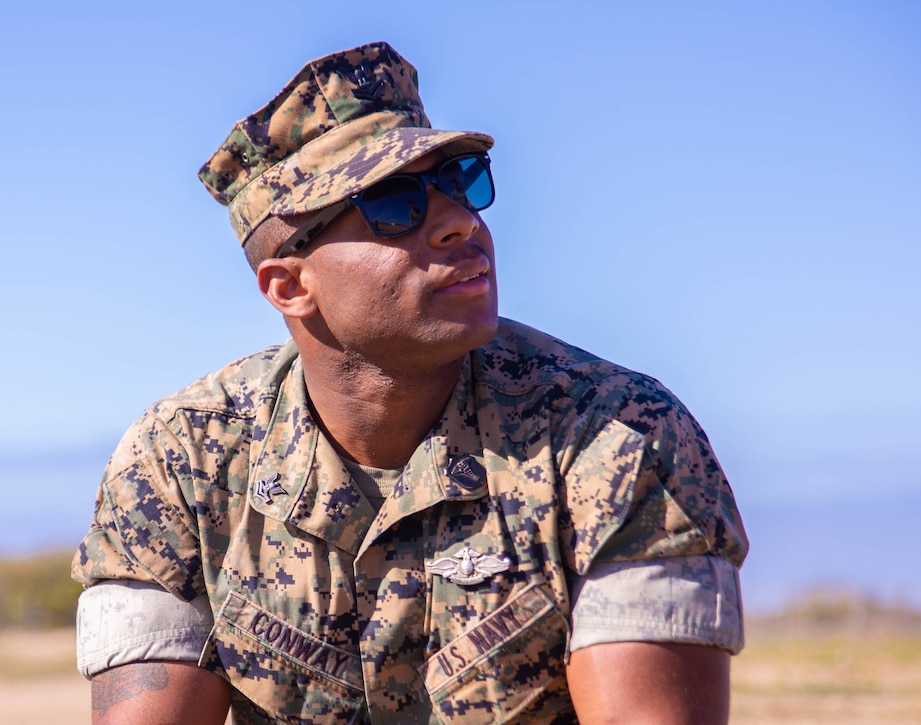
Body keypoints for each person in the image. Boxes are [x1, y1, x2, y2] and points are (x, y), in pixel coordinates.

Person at [72, 41, 749, 725]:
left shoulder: (619, 434)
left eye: (461, 180)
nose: (461, 222)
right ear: (289, 285)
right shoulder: (184, 457)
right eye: (394, 206)